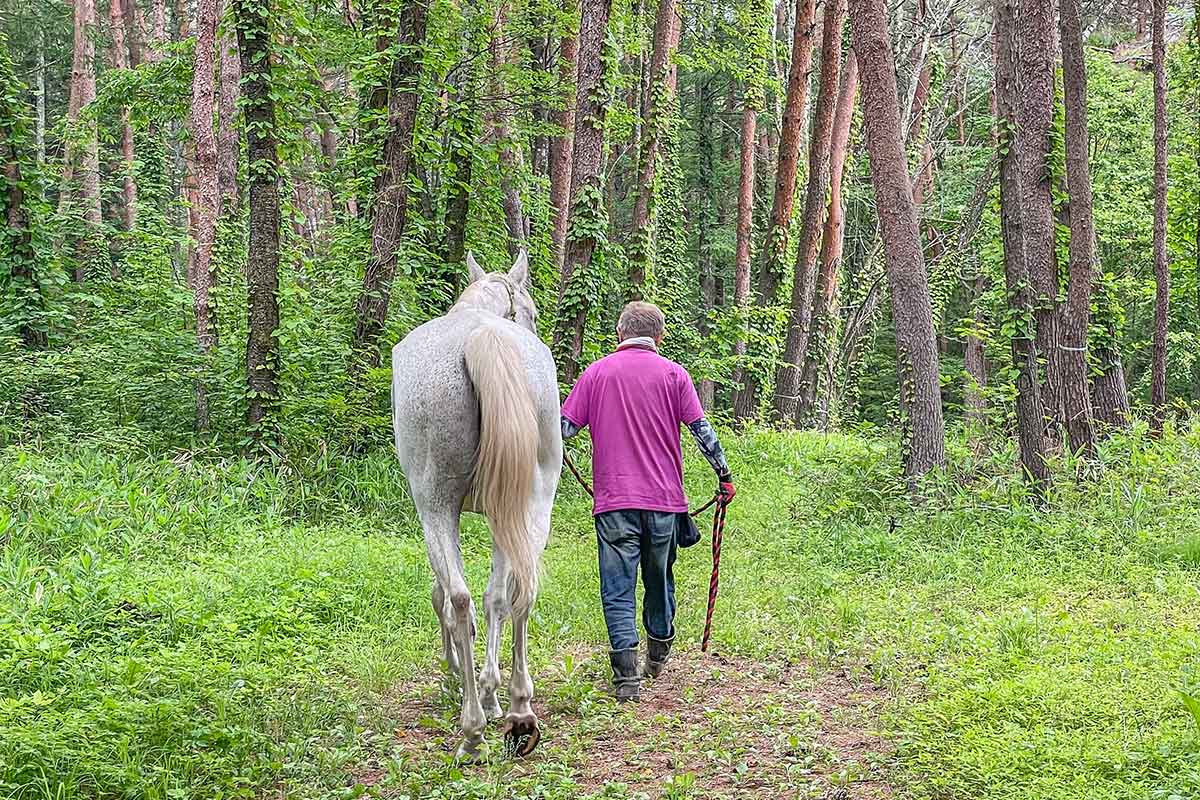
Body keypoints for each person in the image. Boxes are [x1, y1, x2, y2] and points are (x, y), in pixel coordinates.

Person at [560, 301, 736, 702]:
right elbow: (702, 431)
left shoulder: (596, 373)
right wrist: (724, 475)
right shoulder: (675, 375)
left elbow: (563, 430)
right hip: (663, 505)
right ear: (659, 336)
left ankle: (626, 678)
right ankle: (658, 651)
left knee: (617, 587)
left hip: (614, 504)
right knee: (659, 578)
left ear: (620, 334)